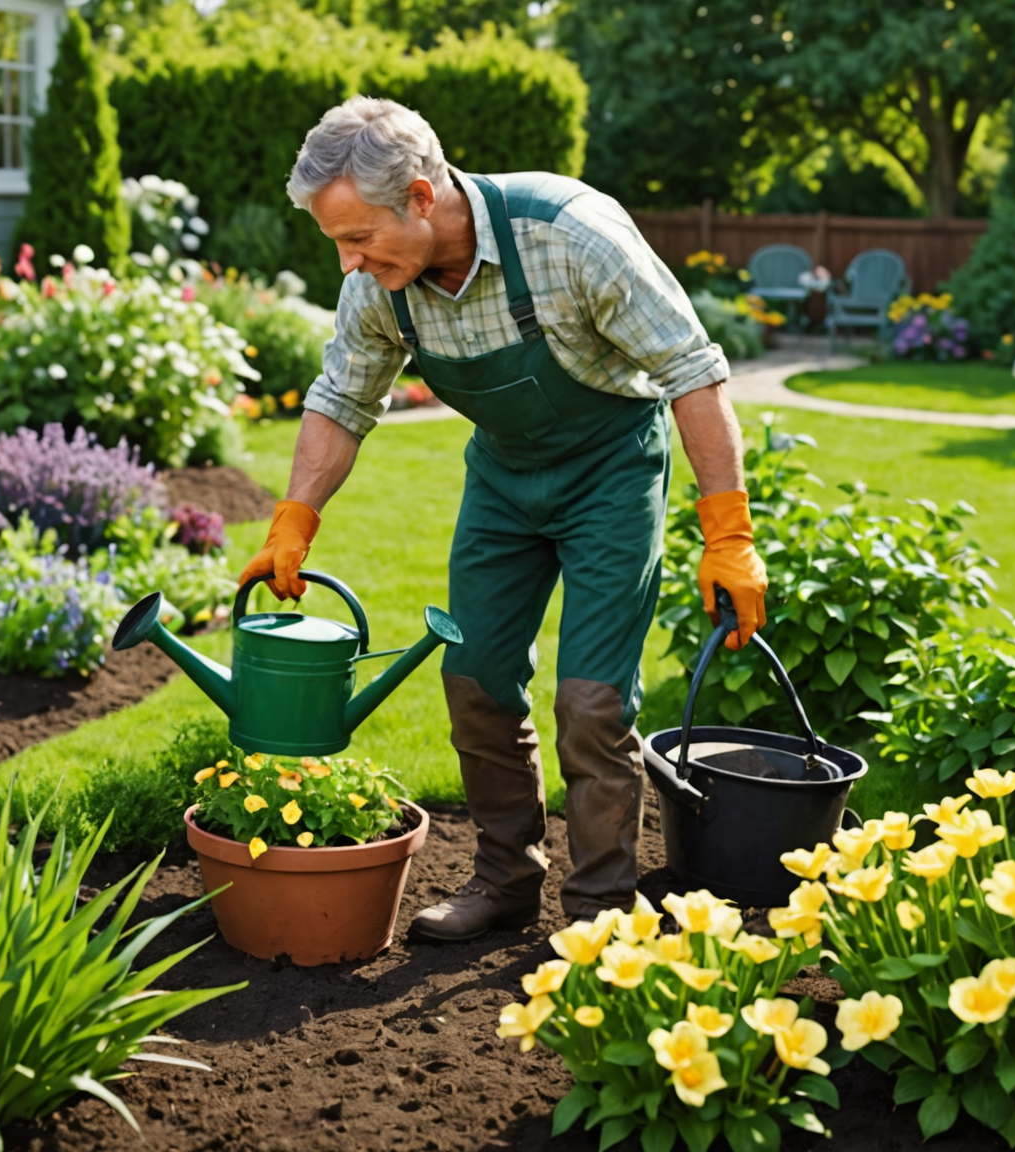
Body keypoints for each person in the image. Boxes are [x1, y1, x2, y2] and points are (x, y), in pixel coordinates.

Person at [239, 96, 769, 941]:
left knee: (593, 704)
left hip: (609, 472)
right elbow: (342, 399)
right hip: (502, 481)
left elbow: (691, 372)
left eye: (357, 238)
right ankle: (504, 880)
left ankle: (599, 911)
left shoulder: (569, 235)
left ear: (420, 196)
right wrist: (294, 519)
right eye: (336, 241)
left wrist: (729, 534)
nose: (346, 263)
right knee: (474, 680)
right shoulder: (383, 284)